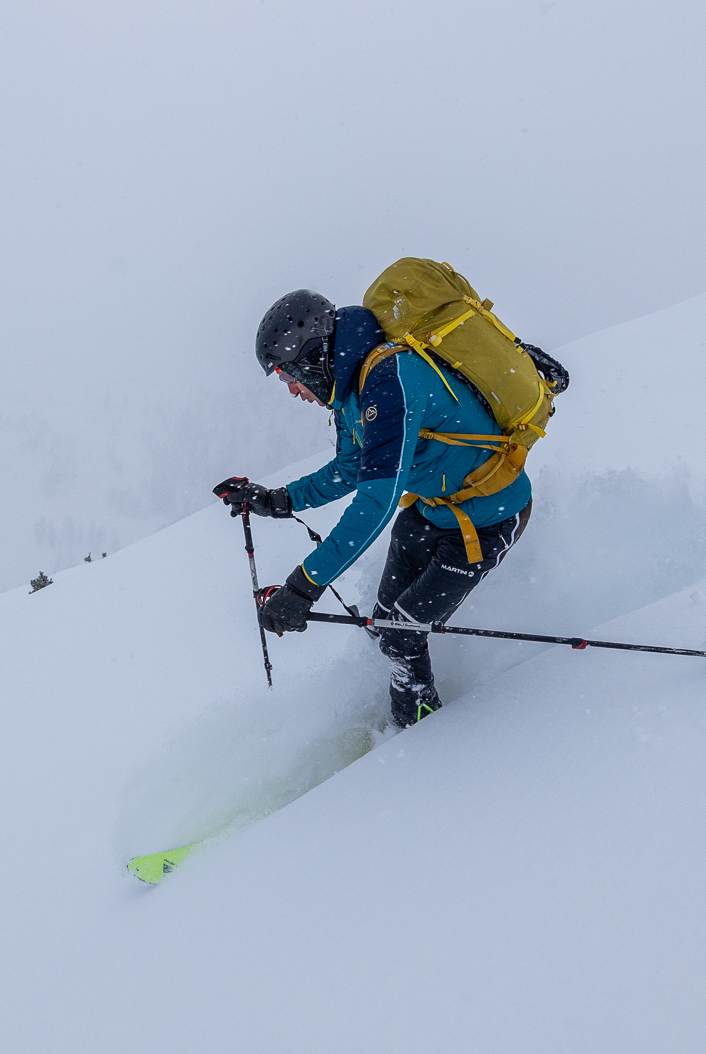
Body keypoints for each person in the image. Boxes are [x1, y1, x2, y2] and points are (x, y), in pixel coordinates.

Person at [215, 289, 534, 727]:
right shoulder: (353, 390)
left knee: (400, 634)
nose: (292, 391)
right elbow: (349, 470)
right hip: (429, 514)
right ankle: (403, 721)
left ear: (312, 358)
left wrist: (304, 586)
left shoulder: (390, 382)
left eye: (289, 376)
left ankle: (423, 731)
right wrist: (277, 500)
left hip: (487, 522)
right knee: (384, 629)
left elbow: (376, 502)